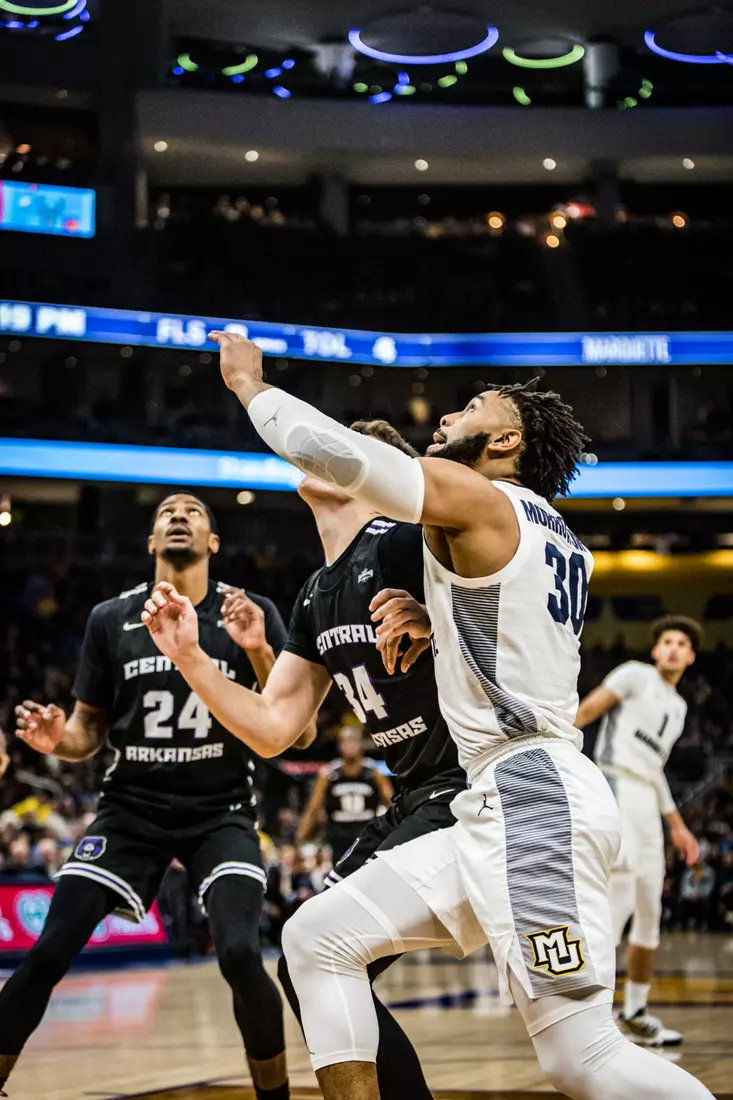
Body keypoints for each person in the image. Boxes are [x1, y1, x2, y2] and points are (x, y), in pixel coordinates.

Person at [143, 331, 709, 1100]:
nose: (446, 414)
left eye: (471, 406)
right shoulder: (540, 531)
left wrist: (247, 386)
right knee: (316, 939)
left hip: (529, 793)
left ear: (505, 439)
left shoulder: (478, 499)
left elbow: (335, 454)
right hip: (498, 798)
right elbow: (513, 634)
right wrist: (437, 618)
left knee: (584, 1058)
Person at [143, 420, 468, 1100]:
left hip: (473, 789)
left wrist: (441, 617)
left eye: (337, 446)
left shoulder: (412, 544)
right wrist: (192, 659)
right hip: (414, 798)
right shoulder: (318, 591)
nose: (313, 452)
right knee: (309, 957)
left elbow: (519, 594)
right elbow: (275, 729)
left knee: (569, 1041)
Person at [4, 491, 308, 1100]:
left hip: (220, 812)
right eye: (166, 512)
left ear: (214, 544)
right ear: (149, 543)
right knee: (49, 951)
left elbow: (295, 731)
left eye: (194, 512)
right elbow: (88, 733)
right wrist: (59, 740)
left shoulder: (249, 613)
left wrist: (255, 649)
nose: (178, 517)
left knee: (243, 956)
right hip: (130, 813)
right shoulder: (108, 618)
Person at [575, 616, 702, 1046]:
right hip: (615, 783)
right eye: (666, 641)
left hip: (647, 798)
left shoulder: (680, 708)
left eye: (680, 643)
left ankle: (635, 1013)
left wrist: (678, 826)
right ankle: (589, 1014)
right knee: (620, 896)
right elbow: (587, 711)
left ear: (690, 656)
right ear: (655, 651)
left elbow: (655, 770)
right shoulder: (634, 675)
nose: (671, 648)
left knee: (650, 909)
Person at [296, 725, 393, 865]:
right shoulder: (328, 774)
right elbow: (313, 810)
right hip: (338, 841)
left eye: (353, 740)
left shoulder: (374, 772)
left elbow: (391, 804)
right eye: (344, 741)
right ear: (339, 745)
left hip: (368, 839)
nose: (349, 745)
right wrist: (299, 840)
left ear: (361, 744)